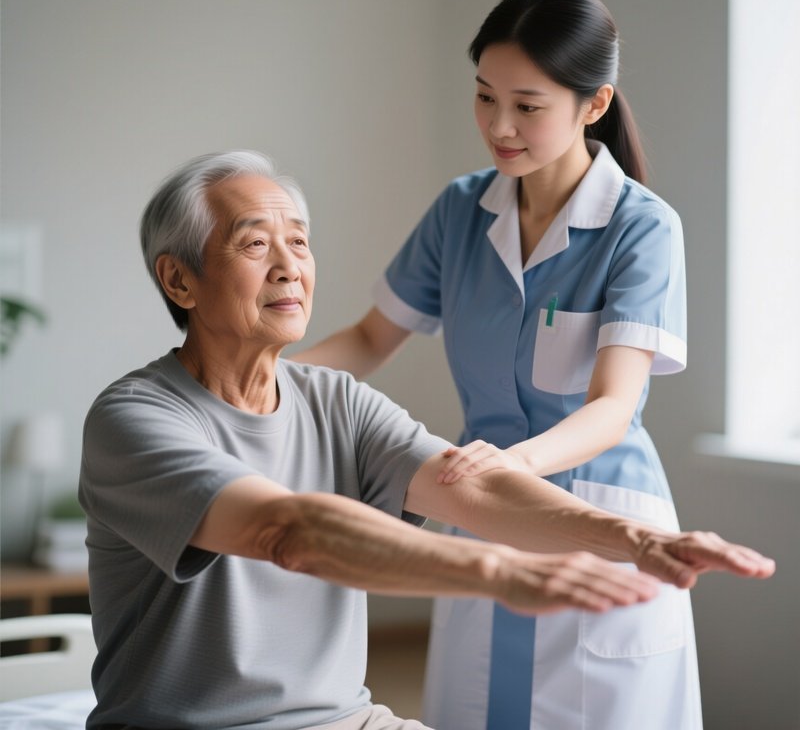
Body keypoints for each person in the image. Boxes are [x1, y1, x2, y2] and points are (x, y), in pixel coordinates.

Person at [78, 150, 774, 730]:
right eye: (256, 244)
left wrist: (635, 540)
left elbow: (465, 483)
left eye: (300, 241)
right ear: (180, 279)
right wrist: (500, 572)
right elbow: (286, 530)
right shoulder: (135, 419)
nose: (290, 265)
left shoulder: (336, 400)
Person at [292, 0, 729, 729]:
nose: (498, 125)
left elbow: (613, 406)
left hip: (599, 513)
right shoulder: (461, 211)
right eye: (484, 96)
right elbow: (370, 339)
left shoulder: (642, 228)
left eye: (527, 106)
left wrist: (515, 463)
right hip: (485, 512)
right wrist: (252, 384)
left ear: (593, 104)